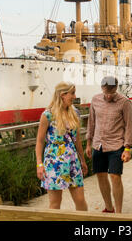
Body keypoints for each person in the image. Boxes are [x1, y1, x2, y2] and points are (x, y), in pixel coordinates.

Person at [35, 82, 88, 211]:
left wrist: (82, 160)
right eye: (72, 93)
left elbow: (77, 140)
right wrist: (39, 164)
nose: (75, 96)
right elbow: (40, 141)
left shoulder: (75, 112)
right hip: (54, 161)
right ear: (63, 95)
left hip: (72, 160)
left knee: (81, 201)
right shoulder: (47, 115)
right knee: (55, 204)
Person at [86, 76, 132, 214]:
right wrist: (89, 144)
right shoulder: (95, 100)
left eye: (111, 93)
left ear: (116, 89)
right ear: (102, 89)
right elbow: (91, 123)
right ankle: (109, 207)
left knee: (115, 176)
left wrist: (127, 148)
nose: (108, 96)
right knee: (101, 175)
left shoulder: (125, 102)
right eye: (106, 93)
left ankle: (118, 213)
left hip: (116, 145)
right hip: (98, 144)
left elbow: (129, 126)